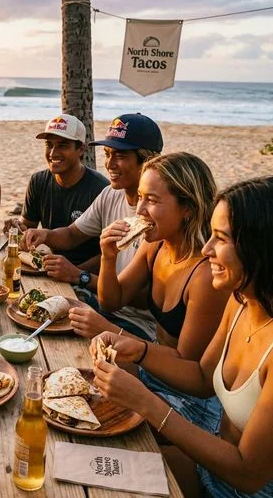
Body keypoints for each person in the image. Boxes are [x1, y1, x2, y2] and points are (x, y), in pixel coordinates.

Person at [93, 176, 273, 497]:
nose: (206, 249)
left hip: (263, 490)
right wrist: (138, 350)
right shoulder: (242, 301)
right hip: (212, 466)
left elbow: (249, 473)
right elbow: (202, 377)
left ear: (266, 248)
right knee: (93, 466)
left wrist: (145, 402)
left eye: (220, 238)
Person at [96, 152, 230, 433]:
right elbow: (111, 300)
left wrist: (123, 338)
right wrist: (108, 257)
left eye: (152, 200)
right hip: (155, 367)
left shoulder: (205, 274)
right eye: (141, 197)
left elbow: (191, 369)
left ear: (188, 209)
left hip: (191, 398)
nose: (139, 210)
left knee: (106, 416)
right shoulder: (155, 244)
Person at [23, 113, 164, 340]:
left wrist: (80, 275)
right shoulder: (111, 193)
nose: (109, 164)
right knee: (30, 311)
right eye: (108, 154)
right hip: (102, 303)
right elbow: (71, 234)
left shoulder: (159, 216)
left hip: (136, 325)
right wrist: (45, 234)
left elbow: (144, 299)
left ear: (147, 161)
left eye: (120, 155)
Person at [6, 114, 108, 281]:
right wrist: (17, 229)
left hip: (87, 276)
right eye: (49, 145)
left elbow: (109, 254)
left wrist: (74, 272)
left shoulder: (100, 190)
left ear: (81, 149)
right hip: (50, 268)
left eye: (62, 146)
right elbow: (28, 228)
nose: (53, 152)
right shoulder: (38, 181)